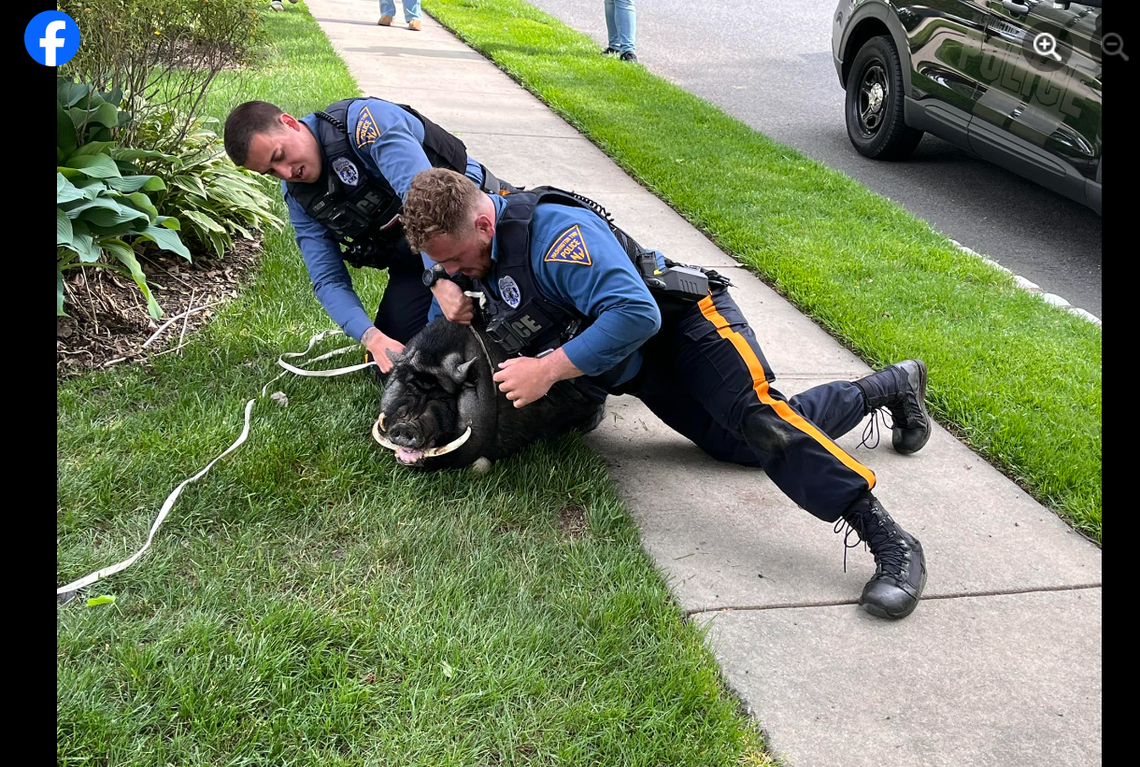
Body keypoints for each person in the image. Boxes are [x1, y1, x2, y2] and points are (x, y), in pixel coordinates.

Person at [399, 168, 933, 620]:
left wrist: (550, 369)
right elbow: (447, 225)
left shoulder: (559, 239)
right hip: (640, 363)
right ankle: (889, 387)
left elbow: (637, 313)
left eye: (453, 261)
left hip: (689, 326)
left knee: (760, 420)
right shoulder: (473, 238)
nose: (452, 271)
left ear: (485, 225)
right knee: (740, 448)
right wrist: (437, 281)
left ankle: (891, 542)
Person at [223, 98, 516, 374]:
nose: (286, 173)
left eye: (280, 156)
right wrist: (371, 337)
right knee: (393, 364)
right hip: (416, 263)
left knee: (480, 338)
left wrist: (439, 282)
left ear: (289, 122)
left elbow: (431, 212)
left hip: (478, 230)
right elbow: (327, 279)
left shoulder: (368, 124)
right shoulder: (300, 199)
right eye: (271, 172)